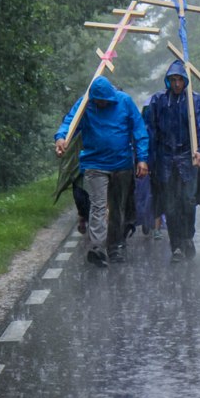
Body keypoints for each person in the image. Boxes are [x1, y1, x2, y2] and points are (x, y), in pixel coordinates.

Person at [55, 76, 149, 266]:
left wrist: (142, 159)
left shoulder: (124, 101)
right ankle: (98, 247)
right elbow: (70, 122)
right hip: (94, 163)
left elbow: (139, 130)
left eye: (103, 100)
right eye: (97, 100)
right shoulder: (85, 104)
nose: (100, 103)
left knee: (117, 207)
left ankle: (115, 247)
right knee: (98, 206)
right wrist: (61, 137)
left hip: (121, 163)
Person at [146, 59, 200, 262]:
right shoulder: (158, 101)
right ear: (168, 81)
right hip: (165, 157)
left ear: (185, 81)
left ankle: (187, 238)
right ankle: (176, 246)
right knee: (170, 204)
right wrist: (148, 159)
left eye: (179, 80)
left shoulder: (195, 101)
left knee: (188, 201)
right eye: (173, 80)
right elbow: (150, 131)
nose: (176, 84)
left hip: (188, 156)